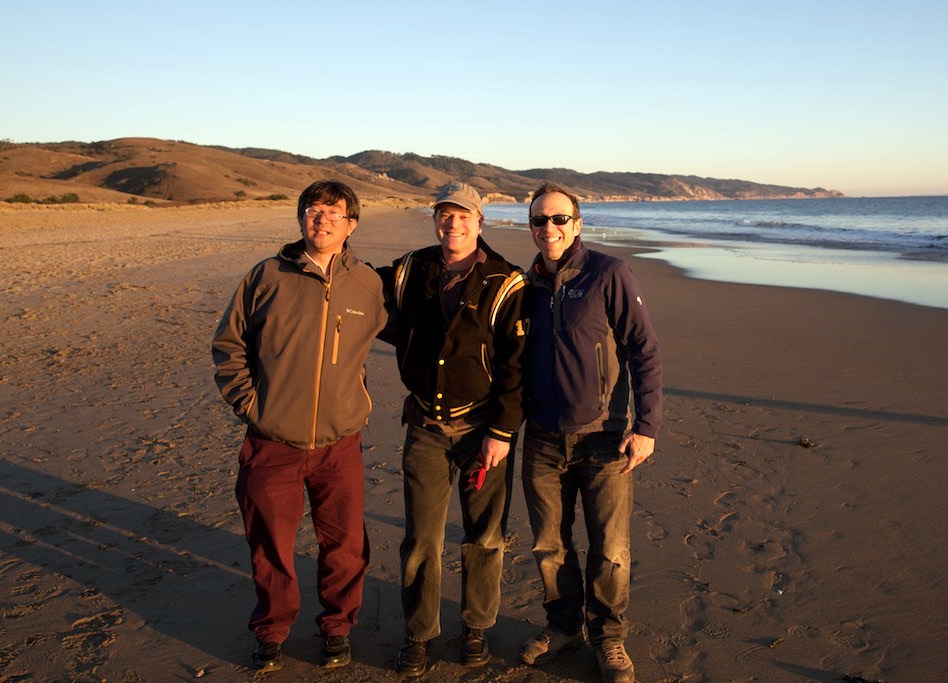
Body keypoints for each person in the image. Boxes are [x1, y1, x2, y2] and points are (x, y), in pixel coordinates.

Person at [212, 180, 387, 672]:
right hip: (272, 443)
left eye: (334, 212)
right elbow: (229, 346)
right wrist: (252, 406)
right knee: (270, 545)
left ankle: (338, 627)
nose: (322, 219)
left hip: (340, 443)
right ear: (301, 218)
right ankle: (271, 631)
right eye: (313, 210)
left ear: (351, 224)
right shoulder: (266, 276)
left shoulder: (367, 284)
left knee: (345, 544)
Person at [379, 182, 528, 677]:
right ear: (435, 220)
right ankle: (419, 633)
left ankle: (476, 627)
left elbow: (516, 366)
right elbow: (356, 291)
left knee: (485, 536)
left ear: (479, 222)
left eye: (464, 216)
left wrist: (502, 433)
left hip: (483, 431)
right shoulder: (409, 269)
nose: (453, 224)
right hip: (424, 426)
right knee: (421, 537)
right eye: (445, 215)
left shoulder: (506, 280)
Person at [518, 183, 663, 683]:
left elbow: (644, 350)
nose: (550, 228)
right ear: (531, 227)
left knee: (611, 548)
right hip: (541, 437)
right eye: (540, 220)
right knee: (548, 546)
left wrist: (647, 426)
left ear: (577, 224)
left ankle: (608, 638)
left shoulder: (608, 272)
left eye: (559, 219)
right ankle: (563, 628)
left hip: (604, 436)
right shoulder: (525, 284)